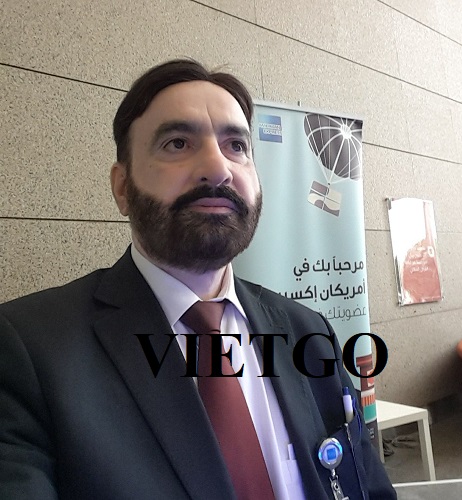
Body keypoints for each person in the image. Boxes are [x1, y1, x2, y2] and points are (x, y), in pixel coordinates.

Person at [0, 59, 396, 500]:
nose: (218, 168)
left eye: (236, 146)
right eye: (177, 143)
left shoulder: (307, 330)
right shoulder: (28, 350)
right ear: (122, 187)